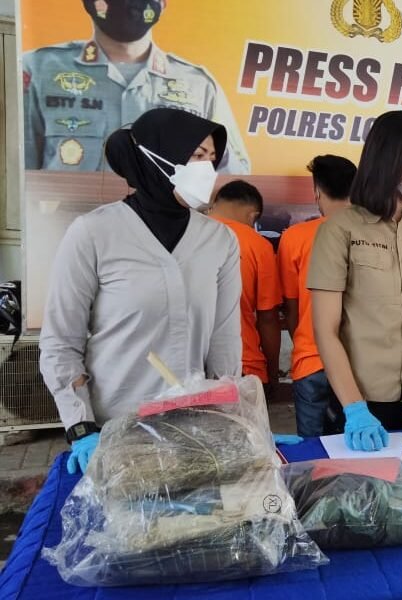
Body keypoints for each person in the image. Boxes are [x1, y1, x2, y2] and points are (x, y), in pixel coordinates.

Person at [38, 107, 241, 474]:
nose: (207, 170)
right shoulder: (94, 233)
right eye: (197, 156)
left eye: (212, 159)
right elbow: (61, 342)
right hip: (116, 433)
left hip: (193, 432)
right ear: (155, 157)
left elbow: (224, 340)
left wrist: (236, 418)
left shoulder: (220, 240)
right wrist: (81, 425)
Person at [307, 111, 402, 451]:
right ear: (393, 158)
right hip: (362, 404)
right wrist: (354, 408)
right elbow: (326, 329)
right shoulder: (340, 230)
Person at [23, 0, 249, 173]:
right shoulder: (39, 70)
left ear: (163, 3)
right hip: (70, 219)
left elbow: (235, 175)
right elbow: (18, 169)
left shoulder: (198, 85)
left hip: (164, 220)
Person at [278, 154, 357, 437]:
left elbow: (292, 306)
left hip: (311, 360)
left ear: (318, 192)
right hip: (360, 365)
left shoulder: (294, 237)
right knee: (359, 447)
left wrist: (305, 340)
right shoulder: (373, 235)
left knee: (313, 451)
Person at [208, 180, 282, 397]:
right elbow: (268, 318)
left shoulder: (185, 233)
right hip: (241, 366)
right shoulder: (257, 245)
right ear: (253, 216)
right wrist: (272, 373)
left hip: (187, 368)